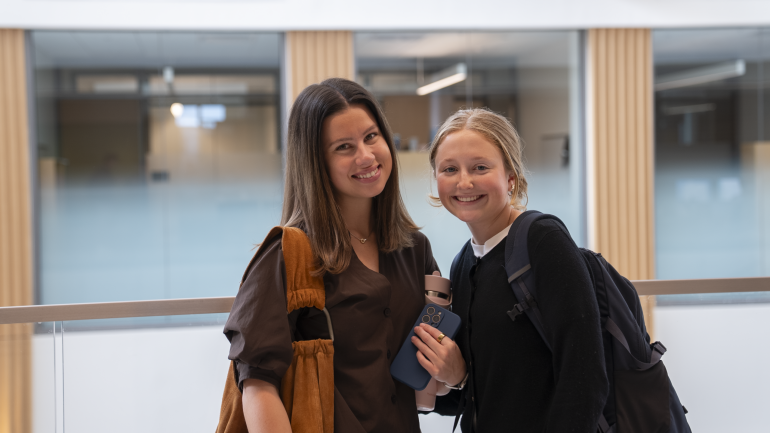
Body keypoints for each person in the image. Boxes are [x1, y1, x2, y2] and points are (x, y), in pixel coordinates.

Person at [222, 78, 438, 433]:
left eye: (372, 137)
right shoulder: (287, 254)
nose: (366, 156)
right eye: (343, 147)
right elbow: (258, 384)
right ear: (315, 162)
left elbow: (428, 379)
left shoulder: (413, 250)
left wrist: (453, 369)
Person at [411, 108, 608, 432]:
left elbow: (585, 379)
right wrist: (451, 378)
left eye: (480, 167)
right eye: (449, 169)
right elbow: (485, 392)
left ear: (510, 177)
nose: (464, 181)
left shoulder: (543, 241)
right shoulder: (464, 263)